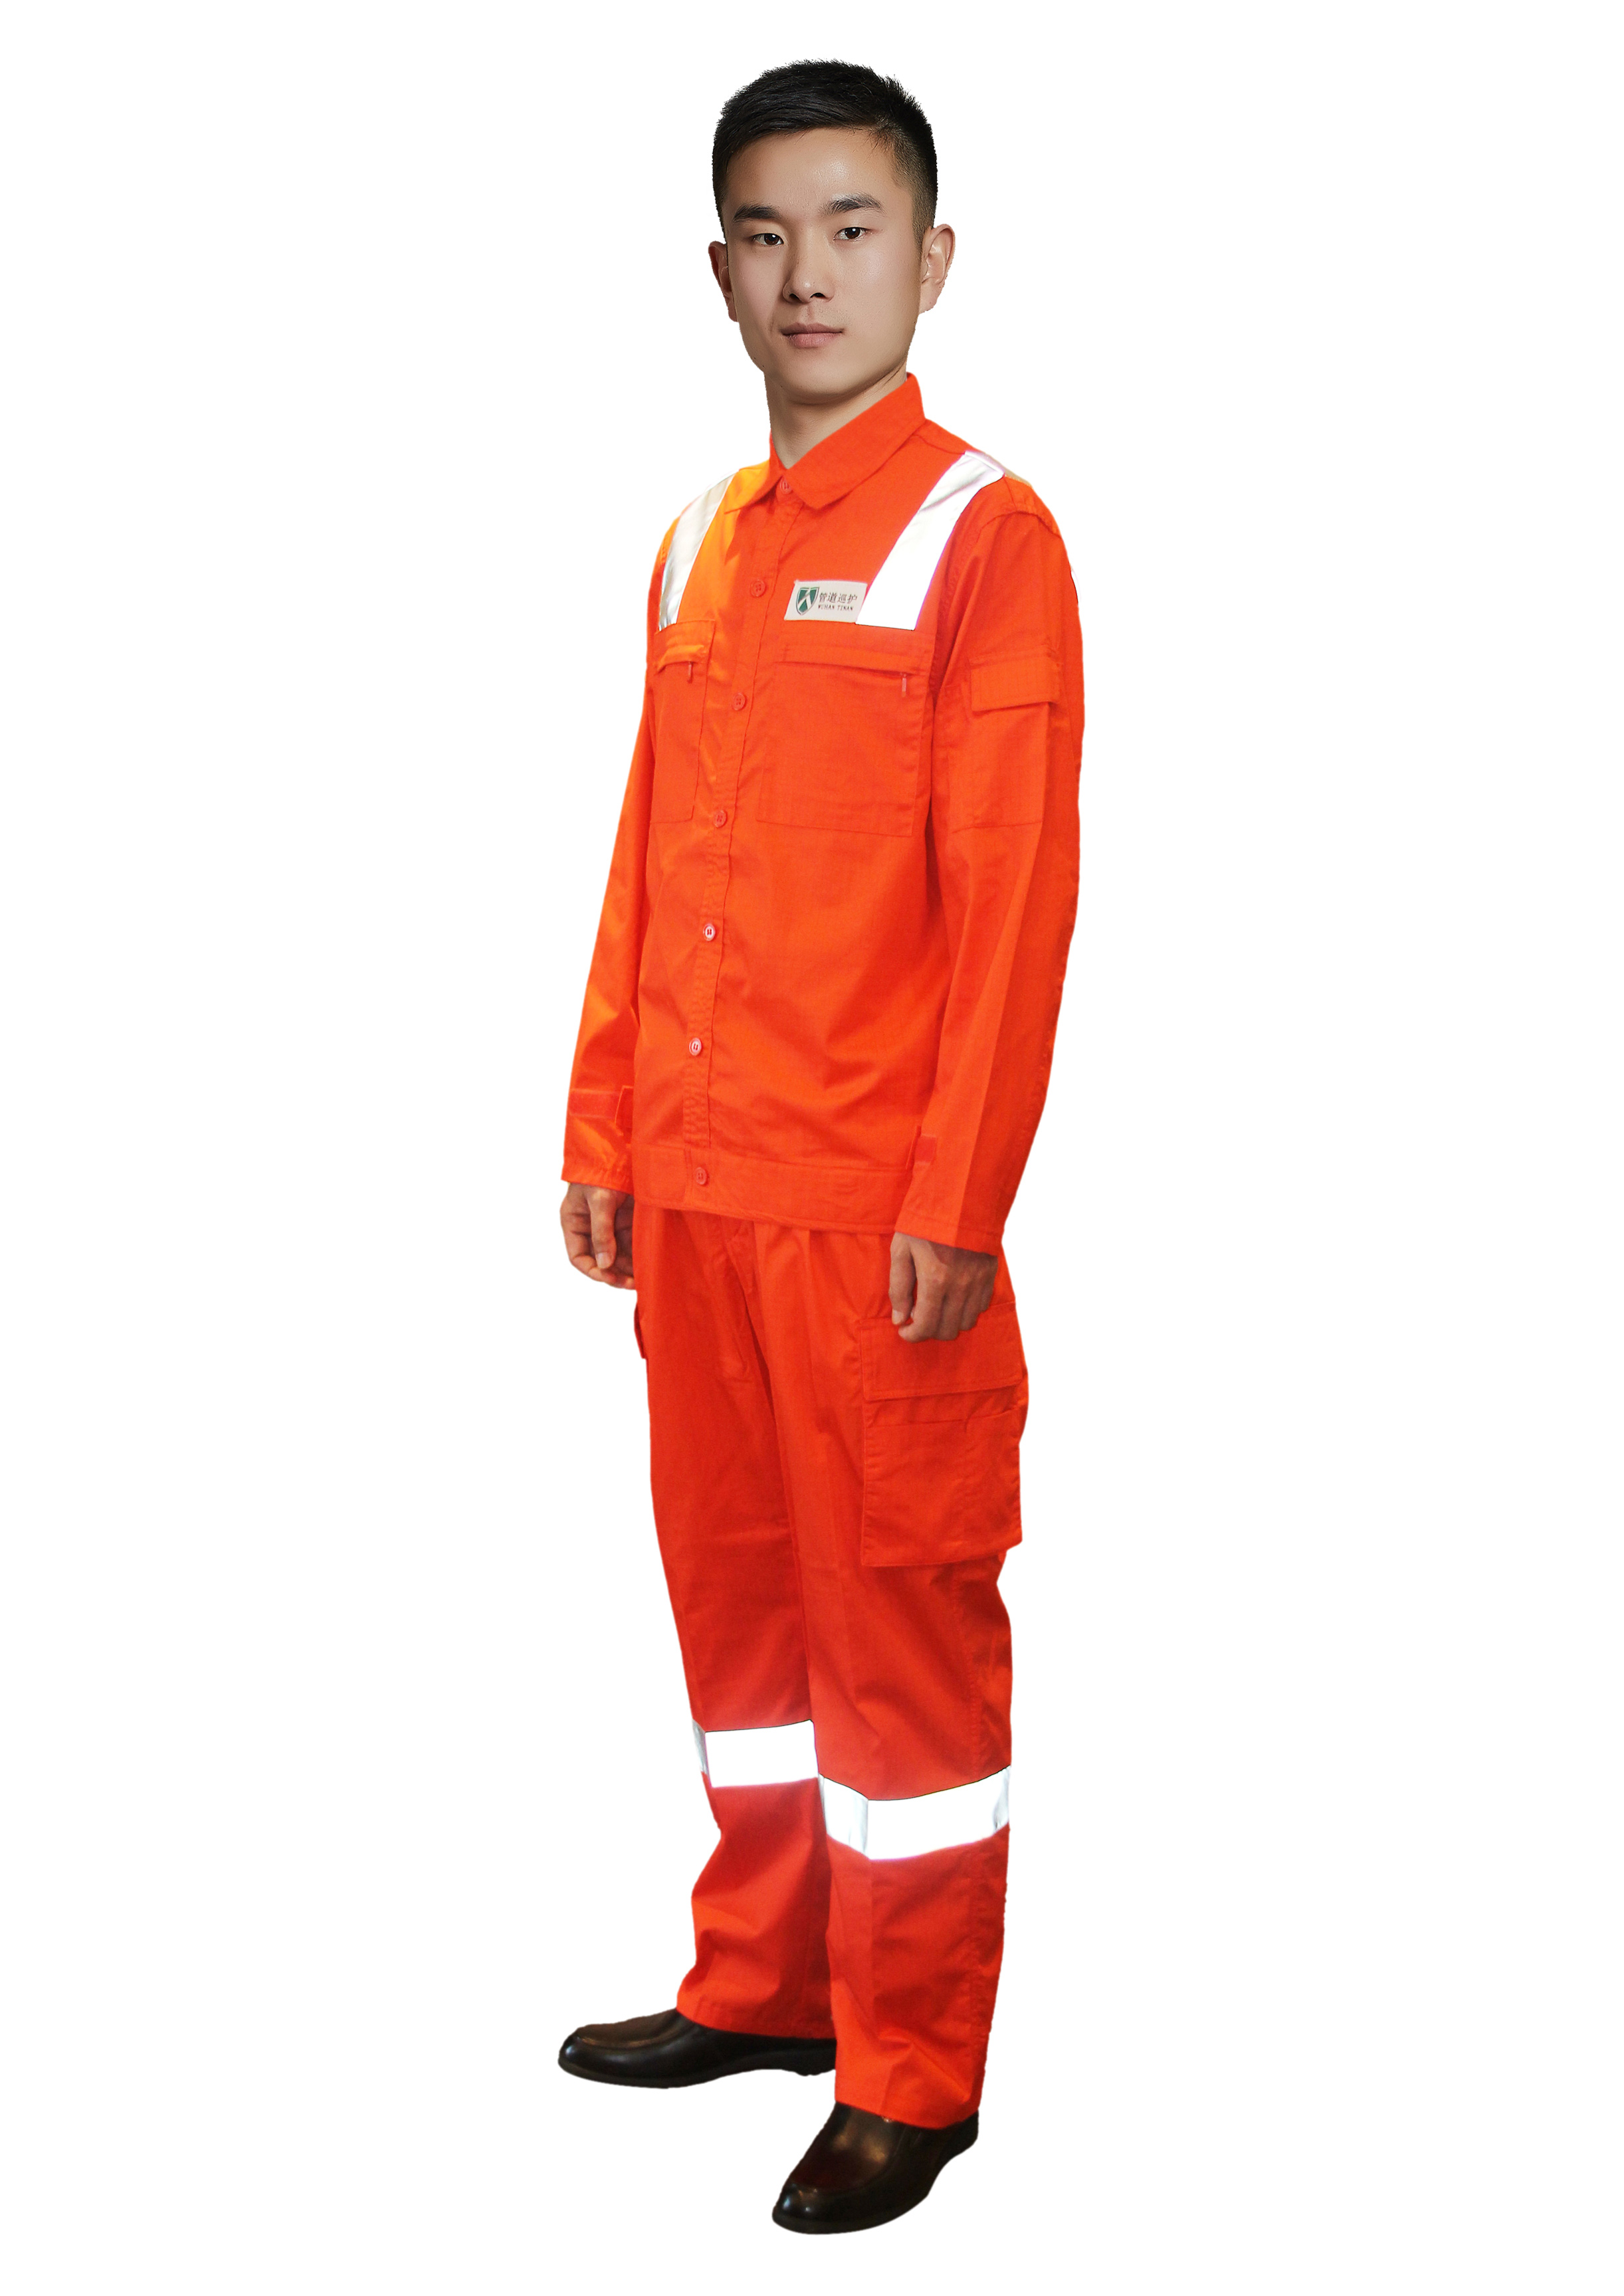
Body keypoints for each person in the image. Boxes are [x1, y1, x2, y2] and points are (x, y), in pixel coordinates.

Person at [556, 58, 1082, 2234]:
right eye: (767, 234)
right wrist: (603, 1122)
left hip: (872, 1220)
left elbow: (1015, 897)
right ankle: (763, 1982)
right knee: (744, 1620)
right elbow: (646, 854)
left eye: (853, 229)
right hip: (697, 1193)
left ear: (930, 260)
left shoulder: (982, 534)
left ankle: (912, 2069)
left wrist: (956, 1197)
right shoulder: (697, 540)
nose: (809, 274)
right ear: (718, 269)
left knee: (896, 1646)